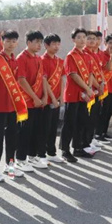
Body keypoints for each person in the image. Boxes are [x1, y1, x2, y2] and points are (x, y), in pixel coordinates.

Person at [0, 29, 27, 182]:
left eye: (13, 41)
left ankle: (10, 166)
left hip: (13, 105)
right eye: (7, 41)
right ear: (2, 42)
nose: (10, 44)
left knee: (12, 137)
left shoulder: (15, 61)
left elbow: (17, 82)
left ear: (17, 43)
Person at [59, 27, 98, 162]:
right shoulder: (71, 56)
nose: (82, 40)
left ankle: (78, 148)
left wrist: (88, 89)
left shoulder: (87, 56)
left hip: (84, 95)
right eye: (79, 37)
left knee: (82, 121)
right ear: (73, 40)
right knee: (69, 123)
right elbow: (73, 75)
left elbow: (91, 74)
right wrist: (87, 89)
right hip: (72, 95)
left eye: (84, 37)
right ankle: (65, 150)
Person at [15, 30, 49, 171]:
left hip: (38, 102)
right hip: (26, 101)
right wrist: (35, 98)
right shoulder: (21, 58)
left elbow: (43, 79)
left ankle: (32, 156)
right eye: (36, 42)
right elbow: (21, 80)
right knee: (24, 131)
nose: (39, 45)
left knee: (36, 130)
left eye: (41, 42)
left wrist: (45, 96)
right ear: (28, 42)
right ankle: (20, 159)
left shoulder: (38, 59)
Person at [41, 33, 66, 163]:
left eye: (58, 44)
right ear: (46, 45)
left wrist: (61, 96)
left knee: (53, 127)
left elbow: (62, 78)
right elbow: (44, 81)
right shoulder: (42, 60)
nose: (56, 47)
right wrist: (52, 98)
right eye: (53, 44)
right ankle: (41, 154)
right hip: (47, 99)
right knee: (44, 128)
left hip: (57, 99)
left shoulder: (60, 61)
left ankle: (51, 152)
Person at [82, 31, 108, 152]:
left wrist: (102, 84)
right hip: (90, 90)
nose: (93, 41)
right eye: (89, 38)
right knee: (88, 118)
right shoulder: (85, 54)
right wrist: (98, 86)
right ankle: (86, 141)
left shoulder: (95, 54)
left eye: (95, 39)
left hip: (97, 90)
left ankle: (90, 139)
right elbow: (89, 74)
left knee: (94, 117)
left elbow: (100, 71)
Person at [95, 34, 112, 140]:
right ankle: (98, 133)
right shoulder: (101, 55)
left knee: (109, 111)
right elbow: (109, 68)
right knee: (103, 111)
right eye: (110, 43)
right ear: (105, 43)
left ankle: (104, 132)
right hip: (104, 89)